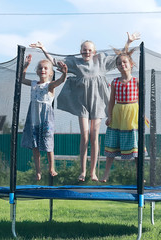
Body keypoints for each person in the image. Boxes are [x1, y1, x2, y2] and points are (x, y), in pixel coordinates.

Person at [30, 32, 140, 182]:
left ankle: (93, 172)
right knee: (85, 136)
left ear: (94, 52)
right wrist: (43, 49)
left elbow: (120, 58)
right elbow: (55, 62)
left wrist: (128, 42)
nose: (87, 52)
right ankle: (83, 171)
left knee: (94, 135)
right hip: (82, 103)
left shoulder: (101, 60)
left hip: (98, 101)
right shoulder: (75, 62)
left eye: (89, 50)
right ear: (80, 51)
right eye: (84, 50)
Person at [100, 49, 147, 182]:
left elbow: (142, 101)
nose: (122, 65)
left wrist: (143, 115)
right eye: (119, 63)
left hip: (132, 112)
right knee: (112, 142)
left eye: (125, 62)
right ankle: (106, 174)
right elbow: (111, 101)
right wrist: (109, 116)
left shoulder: (136, 81)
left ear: (131, 64)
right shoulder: (115, 82)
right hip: (118, 112)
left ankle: (140, 175)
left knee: (135, 144)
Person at [20, 54, 68, 181]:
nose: (43, 70)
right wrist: (25, 66)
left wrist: (64, 73)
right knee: (35, 146)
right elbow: (21, 79)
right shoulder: (34, 84)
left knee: (48, 144)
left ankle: (51, 168)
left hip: (46, 118)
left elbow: (61, 81)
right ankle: (38, 171)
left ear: (51, 73)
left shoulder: (50, 85)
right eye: (40, 68)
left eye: (46, 68)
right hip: (34, 117)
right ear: (37, 71)